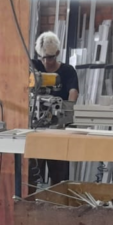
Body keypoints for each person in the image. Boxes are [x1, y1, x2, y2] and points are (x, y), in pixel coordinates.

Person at [29, 31, 77, 188]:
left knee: (58, 177)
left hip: (58, 131)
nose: (45, 62)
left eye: (49, 58)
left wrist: (67, 111)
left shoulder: (67, 71)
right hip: (36, 130)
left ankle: (56, 200)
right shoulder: (33, 67)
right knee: (32, 175)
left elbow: (73, 92)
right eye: (42, 57)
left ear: (57, 53)